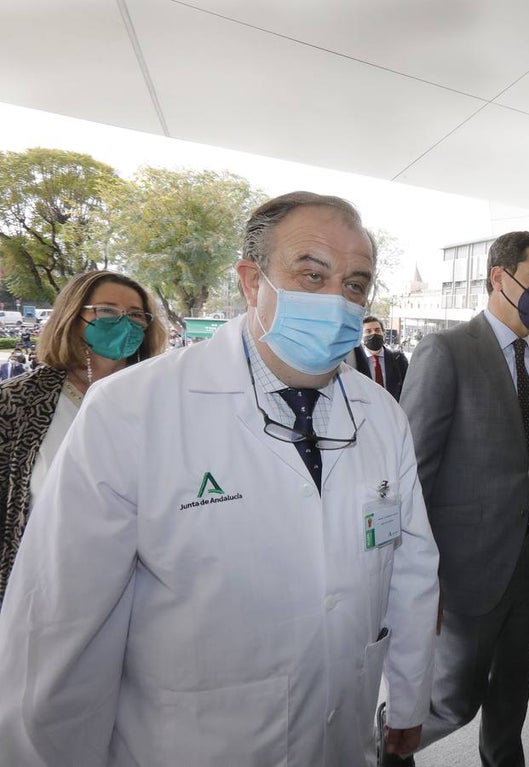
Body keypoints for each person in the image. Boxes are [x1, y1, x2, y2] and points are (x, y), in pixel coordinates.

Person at [0, 192, 440, 765]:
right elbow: (60, 623)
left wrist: (407, 701)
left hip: (342, 732)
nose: (337, 300)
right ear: (251, 281)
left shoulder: (381, 414)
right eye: (312, 275)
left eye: (355, 285)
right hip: (190, 742)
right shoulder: (132, 409)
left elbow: (411, 567)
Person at [398, 230, 529, 767]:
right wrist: (419, 571)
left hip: (528, 560)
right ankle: (383, 744)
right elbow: (414, 471)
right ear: (500, 278)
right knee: (454, 700)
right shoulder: (445, 351)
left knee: (512, 687)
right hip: (463, 565)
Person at [0, 270, 167, 603]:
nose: (124, 322)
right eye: (106, 311)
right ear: (73, 317)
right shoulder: (16, 402)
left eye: (136, 314)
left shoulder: (165, 398)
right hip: (44, 591)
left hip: (144, 592)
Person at [358, 313, 409, 400]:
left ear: (384, 334)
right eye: (368, 331)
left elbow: (408, 387)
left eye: (377, 330)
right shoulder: (356, 362)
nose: (374, 333)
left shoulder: (398, 359)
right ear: (360, 336)